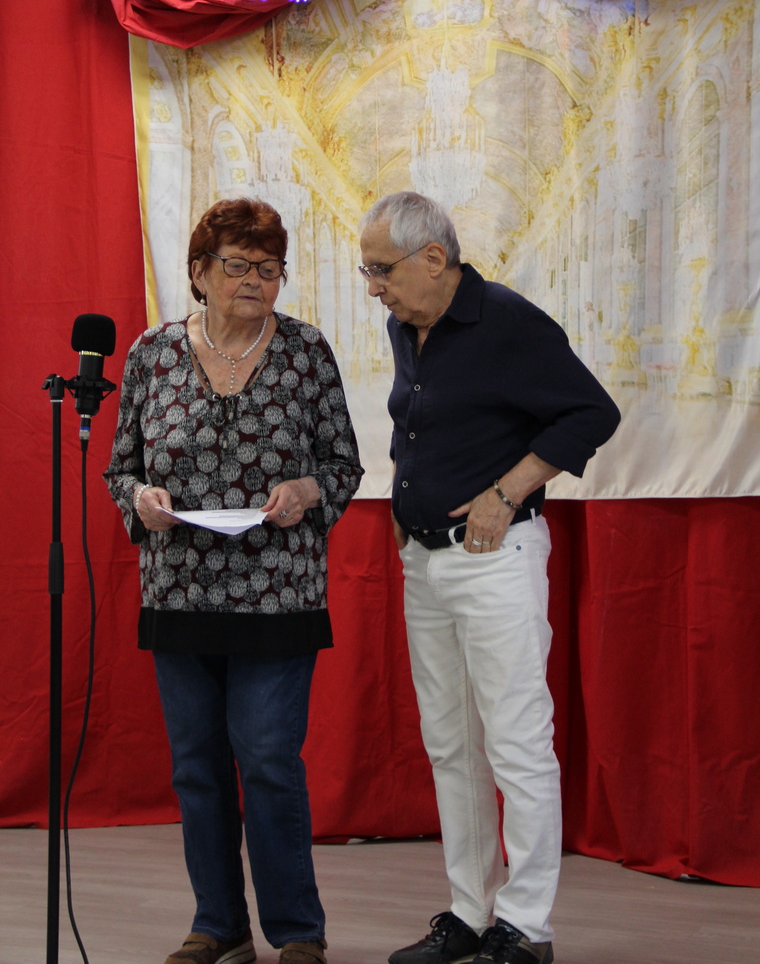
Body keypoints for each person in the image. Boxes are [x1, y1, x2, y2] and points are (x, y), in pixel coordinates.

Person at [359, 192, 620, 964]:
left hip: (494, 563)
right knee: (451, 745)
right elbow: (420, 422)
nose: (374, 287)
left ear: (434, 258)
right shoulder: (406, 325)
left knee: (516, 742)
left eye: (381, 271)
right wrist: (405, 495)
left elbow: (590, 413)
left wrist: (508, 492)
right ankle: (470, 913)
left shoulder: (506, 320)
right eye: (368, 272)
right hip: (424, 564)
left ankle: (527, 926)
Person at [105, 198, 363, 964]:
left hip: (278, 594)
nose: (255, 280)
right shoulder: (152, 353)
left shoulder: (306, 352)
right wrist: (140, 500)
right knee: (197, 768)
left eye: (269, 268)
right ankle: (218, 925)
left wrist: (307, 491)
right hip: (179, 592)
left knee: (269, 760)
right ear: (199, 272)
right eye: (239, 265)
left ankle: (298, 932)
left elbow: (343, 466)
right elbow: (122, 469)